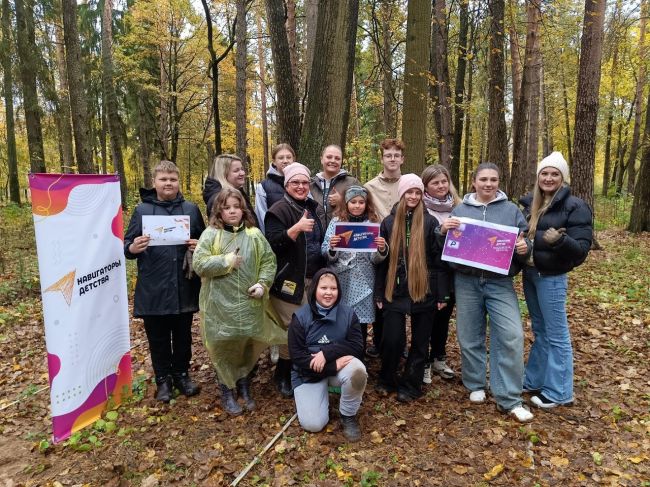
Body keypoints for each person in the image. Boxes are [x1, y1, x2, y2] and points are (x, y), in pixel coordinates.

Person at [439, 162, 534, 423]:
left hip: (499, 282)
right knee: (469, 334)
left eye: (493, 179)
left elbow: (523, 243)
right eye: (483, 179)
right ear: (474, 182)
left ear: (498, 182)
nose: (488, 184)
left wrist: (525, 250)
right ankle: (475, 384)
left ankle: (509, 396)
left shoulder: (511, 211)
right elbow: (445, 245)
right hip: (467, 281)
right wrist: (442, 232)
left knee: (512, 335)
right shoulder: (460, 209)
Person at [193, 189, 286, 416]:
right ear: (219, 211)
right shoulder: (211, 235)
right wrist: (226, 260)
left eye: (236, 206)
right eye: (227, 208)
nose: (232, 211)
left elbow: (268, 261)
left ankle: (244, 384)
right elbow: (199, 263)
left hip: (248, 303)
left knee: (246, 343)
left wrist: (263, 284)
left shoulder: (254, 235)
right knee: (223, 345)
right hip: (219, 307)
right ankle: (227, 389)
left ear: (243, 209)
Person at [124, 160, 205, 403]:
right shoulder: (141, 211)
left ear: (178, 182)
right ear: (154, 182)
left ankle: (182, 375)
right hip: (154, 286)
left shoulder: (191, 209)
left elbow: (205, 241)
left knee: (183, 336)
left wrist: (199, 245)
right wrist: (133, 247)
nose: (168, 183)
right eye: (163, 179)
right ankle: (163, 381)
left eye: (172, 179)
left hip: (183, 284)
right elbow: (126, 248)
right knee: (157, 337)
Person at [519, 152, 592, 409]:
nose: (548, 178)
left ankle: (561, 391)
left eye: (554, 174)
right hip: (530, 274)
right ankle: (534, 379)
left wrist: (559, 240)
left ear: (563, 178)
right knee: (540, 331)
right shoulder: (532, 205)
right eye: (544, 173)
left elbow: (581, 250)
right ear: (538, 177)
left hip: (551, 278)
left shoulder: (575, 206)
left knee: (557, 334)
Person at [374, 174, 451, 403]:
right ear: (402, 193)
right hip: (394, 290)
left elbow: (439, 260)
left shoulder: (430, 223)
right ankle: (387, 379)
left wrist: (442, 293)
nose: (414, 196)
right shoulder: (388, 223)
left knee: (420, 341)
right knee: (393, 339)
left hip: (423, 289)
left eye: (417, 192)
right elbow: (382, 262)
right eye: (409, 192)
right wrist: (379, 292)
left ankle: (411, 384)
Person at [265, 163, 326, 397]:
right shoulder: (278, 210)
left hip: (313, 278)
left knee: (309, 327)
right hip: (289, 279)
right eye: (295, 183)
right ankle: (282, 373)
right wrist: (295, 229)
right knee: (291, 328)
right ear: (286, 184)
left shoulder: (315, 207)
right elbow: (272, 245)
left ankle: (302, 369)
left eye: (304, 183)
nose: (301, 187)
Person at [288, 268, 367, 442]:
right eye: (324, 288)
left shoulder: (348, 314)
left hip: (337, 369)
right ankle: (318, 396)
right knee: (313, 425)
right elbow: (298, 358)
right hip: (308, 373)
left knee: (358, 372)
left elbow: (357, 346)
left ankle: (348, 414)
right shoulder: (300, 318)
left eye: (333, 288)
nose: (329, 293)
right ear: (314, 289)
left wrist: (326, 353)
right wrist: (332, 366)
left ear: (339, 291)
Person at [321, 186, 387, 354]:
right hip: (342, 279)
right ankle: (339, 354)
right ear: (346, 203)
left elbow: (374, 258)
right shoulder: (336, 222)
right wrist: (332, 247)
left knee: (360, 322)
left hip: (365, 279)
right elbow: (325, 250)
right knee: (341, 318)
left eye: (361, 202)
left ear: (367, 204)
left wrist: (381, 249)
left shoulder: (372, 224)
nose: (357, 206)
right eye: (353, 202)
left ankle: (358, 356)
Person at [421, 164, 462, 383]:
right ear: (426, 186)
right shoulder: (420, 207)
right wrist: (441, 231)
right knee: (427, 315)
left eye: (444, 181)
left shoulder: (459, 206)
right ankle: (424, 359)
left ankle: (439, 356)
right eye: (435, 183)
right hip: (429, 271)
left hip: (452, 270)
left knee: (444, 316)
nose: (440, 186)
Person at [364, 138, 405, 357]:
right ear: (382, 158)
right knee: (379, 293)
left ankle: (399, 341)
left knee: (402, 294)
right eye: (388, 155)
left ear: (402, 159)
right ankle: (379, 343)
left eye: (396, 155)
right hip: (379, 246)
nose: (392, 159)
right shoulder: (370, 186)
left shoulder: (409, 183)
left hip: (405, 247)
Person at [310, 145, 362, 223]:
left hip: (342, 233)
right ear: (321, 159)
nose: (333, 161)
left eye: (337, 158)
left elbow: (364, 210)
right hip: (314, 233)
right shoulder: (311, 184)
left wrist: (342, 202)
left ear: (341, 161)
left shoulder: (352, 183)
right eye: (329, 157)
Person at [203, 153, 257, 224]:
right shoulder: (219, 198)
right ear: (223, 174)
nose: (242, 173)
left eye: (242, 169)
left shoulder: (237, 192)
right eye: (236, 171)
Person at [254, 143, 295, 233]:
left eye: (289, 157)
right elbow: (261, 217)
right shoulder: (264, 186)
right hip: (276, 240)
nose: (285, 161)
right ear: (274, 161)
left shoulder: (302, 183)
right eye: (281, 158)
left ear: (293, 160)